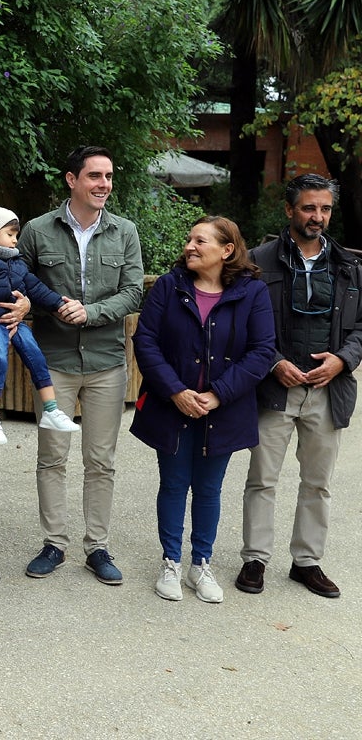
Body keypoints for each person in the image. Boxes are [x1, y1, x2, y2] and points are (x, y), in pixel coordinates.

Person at [15, 145, 144, 585]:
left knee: (100, 460)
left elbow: (132, 292)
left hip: (107, 362)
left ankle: (97, 547)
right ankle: (54, 544)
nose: (104, 184)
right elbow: (18, 282)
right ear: (72, 179)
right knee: (51, 457)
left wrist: (92, 312)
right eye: (94, 176)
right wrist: (42, 307)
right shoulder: (37, 231)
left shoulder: (125, 231)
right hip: (54, 363)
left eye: (108, 176)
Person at [130, 216, 274, 603]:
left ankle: (201, 564)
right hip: (171, 405)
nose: (190, 246)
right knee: (174, 483)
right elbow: (146, 341)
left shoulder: (253, 293)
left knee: (210, 488)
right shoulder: (168, 286)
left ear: (227, 251)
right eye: (189, 239)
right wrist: (176, 391)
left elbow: (262, 351)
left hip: (223, 409)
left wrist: (218, 395)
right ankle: (171, 563)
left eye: (201, 240)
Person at [237, 173, 362, 598]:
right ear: (289, 210)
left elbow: (361, 328)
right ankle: (255, 559)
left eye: (324, 208)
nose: (317, 216)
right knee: (262, 478)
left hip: (329, 389)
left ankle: (306, 562)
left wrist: (342, 360)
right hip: (276, 389)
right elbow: (244, 324)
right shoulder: (258, 261)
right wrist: (273, 363)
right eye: (309, 207)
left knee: (318, 482)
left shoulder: (349, 265)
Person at [0, 205, 82, 445]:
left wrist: (59, 304)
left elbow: (36, 287)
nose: (15, 240)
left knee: (35, 353)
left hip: (14, 321)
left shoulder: (15, 261)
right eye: (10, 234)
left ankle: (50, 409)